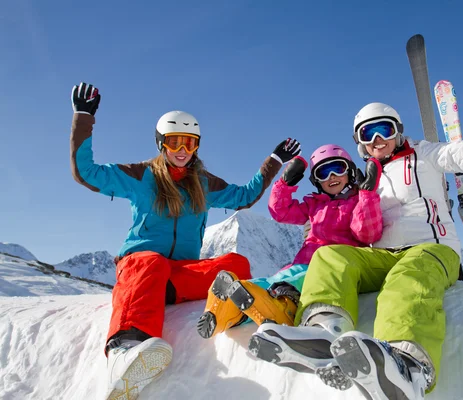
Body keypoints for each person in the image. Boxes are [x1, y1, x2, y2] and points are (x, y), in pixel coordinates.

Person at [248, 45, 463, 399]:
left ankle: (408, 368)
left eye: (384, 130)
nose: (378, 141)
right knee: (331, 256)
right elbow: (364, 233)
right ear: (359, 145)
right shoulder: (364, 180)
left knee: (407, 279)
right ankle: (326, 333)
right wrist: (366, 193)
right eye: (368, 136)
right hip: (384, 255)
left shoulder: (428, 154)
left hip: (431, 250)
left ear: (399, 131)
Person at [69, 82, 301, 400]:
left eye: (189, 143)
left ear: (196, 147)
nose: (182, 149)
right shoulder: (140, 176)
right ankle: (125, 350)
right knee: (149, 262)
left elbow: (245, 196)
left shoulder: (204, 184)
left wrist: (274, 160)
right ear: (161, 143)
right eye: (174, 141)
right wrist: (84, 116)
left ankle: (206, 304)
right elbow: (87, 172)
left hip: (179, 275)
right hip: (142, 266)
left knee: (236, 263)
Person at [197, 144, 384, 338]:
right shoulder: (314, 204)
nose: (331, 177)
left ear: (351, 172)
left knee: (290, 282)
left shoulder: (357, 202)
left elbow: (367, 233)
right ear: (316, 181)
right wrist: (285, 184)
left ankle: (276, 307)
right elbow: (281, 211)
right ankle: (229, 308)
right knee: (275, 279)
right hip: (304, 263)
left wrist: (367, 195)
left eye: (337, 169)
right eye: (323, 173)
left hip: (333, 268)